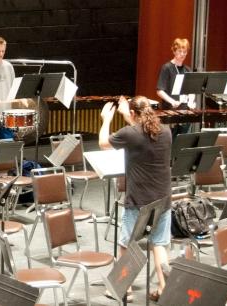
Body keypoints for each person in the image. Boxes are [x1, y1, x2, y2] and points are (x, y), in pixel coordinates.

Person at [99, 96, 172, 301]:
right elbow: (143, 133)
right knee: (158, 243)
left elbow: (104, 143)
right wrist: (127, 115)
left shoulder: (130, 134)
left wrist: (106, 119)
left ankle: (124, 288)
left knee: (127, 243)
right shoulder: (166, 131)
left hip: (139, 199)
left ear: (132, 114)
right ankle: (165, 287)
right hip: (163, 197)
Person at [156, 38, 192, 138]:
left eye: (185, 52)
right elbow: (160, 90)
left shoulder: (188, 69)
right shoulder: (166, 68)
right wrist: (172, 101)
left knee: (181, 142)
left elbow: (191, 90)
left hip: (184, 111)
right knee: (170, 141)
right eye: (180, 51)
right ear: (174, 50)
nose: (183, 54)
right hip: (170, 110)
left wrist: (191, 100)